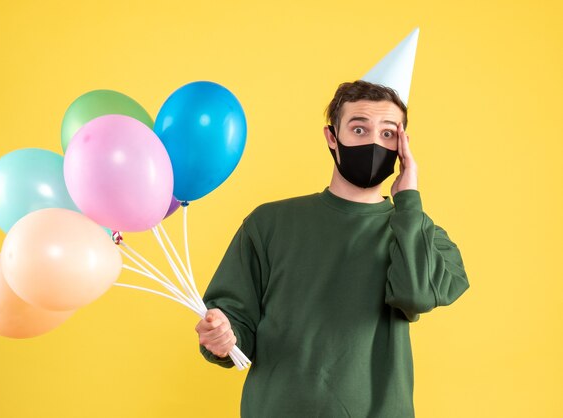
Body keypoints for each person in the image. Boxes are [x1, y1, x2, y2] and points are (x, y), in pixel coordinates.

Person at [195, 80, 470, 417]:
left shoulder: (419, 232)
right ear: (331, 137)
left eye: (387, 133)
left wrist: (408, 203)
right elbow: (234, 321)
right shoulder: (269, 223)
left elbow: (415, 297)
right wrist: (222, 337)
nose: (373, 142)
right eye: (358, 128)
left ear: (402, 146)